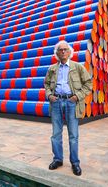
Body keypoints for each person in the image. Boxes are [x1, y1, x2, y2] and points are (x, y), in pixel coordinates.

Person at [44, 40, 92, 176]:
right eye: (60, 50)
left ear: (70, 52)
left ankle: (75, 163)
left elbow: (88, 83)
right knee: (56, 134)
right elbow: (46, 84)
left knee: (73, 135)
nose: (63, 52)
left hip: (72, 102)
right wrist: (49, 95)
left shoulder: (78, 67)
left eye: (65, 49)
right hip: (56, 102)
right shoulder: (52, 68)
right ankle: (58, 159)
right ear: (57, 53)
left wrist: (77, 96)